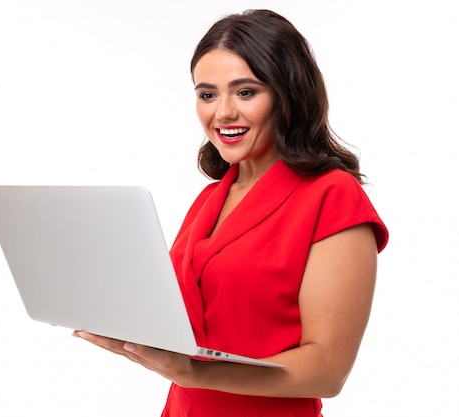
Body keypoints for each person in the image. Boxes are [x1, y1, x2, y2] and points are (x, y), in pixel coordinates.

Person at [74, 9, 389, 417]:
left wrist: (195, 373)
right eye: (207, 94)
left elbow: (328, 371)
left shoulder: (332, 197)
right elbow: (189, 326)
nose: (222, 113)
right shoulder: (210, 200)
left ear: (288, 95)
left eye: (245, 92)